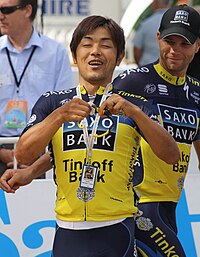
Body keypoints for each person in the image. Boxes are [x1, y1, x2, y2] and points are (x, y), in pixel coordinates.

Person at [0, 15, 179, 257]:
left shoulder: (133, 105)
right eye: (87, 44)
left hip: (118, 231)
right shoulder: (53, 102)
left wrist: (135, 112)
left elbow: (171, 155)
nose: (95, 51)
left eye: (105, 45)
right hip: (68, 231)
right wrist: (59, 116)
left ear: (118, 57)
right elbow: (23, 154)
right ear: (74, 56)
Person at [113, 4, 200, 257]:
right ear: (158, 38)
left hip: (171, 205)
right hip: (138, 205)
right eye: (169, 41)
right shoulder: (133, 81)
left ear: (197, 46)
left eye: (184, 44)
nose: (174, 50)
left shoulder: (196, 92)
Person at [0, 0, 72, 176]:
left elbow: (64, 106)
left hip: (41, 150)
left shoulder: (55, 52)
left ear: (27, 10)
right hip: (1, 149)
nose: (0, 16)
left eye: (6, 10)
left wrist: (34, 151)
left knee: (36, 204)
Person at [133, 0, 172, 66]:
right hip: (168, 69)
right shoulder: (175, 23)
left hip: (147, 67)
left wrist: (140, 67)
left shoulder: (146, 23)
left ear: (155, 2)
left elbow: (137, 48)